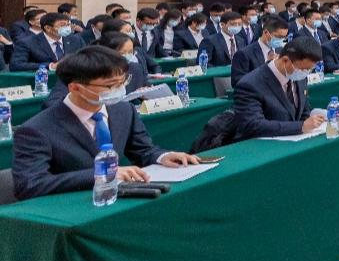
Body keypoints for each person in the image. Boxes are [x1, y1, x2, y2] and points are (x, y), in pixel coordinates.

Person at [11, 47, 199, 200]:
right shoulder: (36, 130)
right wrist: (99, 174)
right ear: (75, 88)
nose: (119, 90)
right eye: (110, 85)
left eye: (122, 82)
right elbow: (30, 185)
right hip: (73, 207)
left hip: (117, 199)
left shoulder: (123, 110)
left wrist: (163, 156)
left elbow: (143, 150)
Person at [232, 37, 327, 139]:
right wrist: (300, 126)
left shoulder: (300, 78)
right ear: (285, 60)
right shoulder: (250, 85)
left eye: (309, 70)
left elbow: (303, 110)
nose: (305, 73)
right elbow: (253, 125)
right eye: (303, 69)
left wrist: (318, 116)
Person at [12, 12, 85, 71]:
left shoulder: (76, 40)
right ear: (48, 28)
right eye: (62, 25)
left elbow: (87, 58)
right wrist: (51, 66)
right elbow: (16, 65)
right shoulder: (27, 42)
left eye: (68, 24)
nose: (67, 28)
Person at [231, 16, 290, 86]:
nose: (281, 40)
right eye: (279, 37)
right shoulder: (244, 54)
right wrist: (267, 66)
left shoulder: (283, 51)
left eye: (284, 37)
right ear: (266, 32)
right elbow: (238, 82)